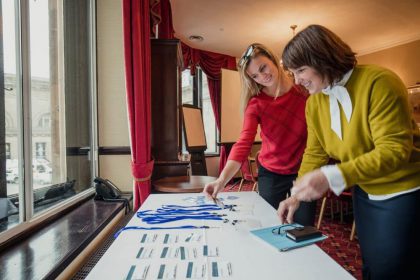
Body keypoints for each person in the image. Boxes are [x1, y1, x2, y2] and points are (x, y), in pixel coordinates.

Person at [278, 24, 420, 279]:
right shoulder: (314, 103)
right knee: (371, 261)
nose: (296, 80)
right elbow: (315, 152)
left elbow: (393, 151)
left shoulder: (380, 82)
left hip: (403, 190)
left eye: (300, 70)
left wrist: (332, 176)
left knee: (396, 268)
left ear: (322, 59)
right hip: (364, 189)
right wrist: (295, 195)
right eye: (292, 72)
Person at [203, 43, 316, 226]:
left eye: (263, 67)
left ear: (273, 59)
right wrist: (221, 180)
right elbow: (243, 143)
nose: (262, 77)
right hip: (271, 172)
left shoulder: (304, 91)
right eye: (255, 75)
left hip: (304, 170)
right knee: (271, 224)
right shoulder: (256, 104)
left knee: (303, 227)